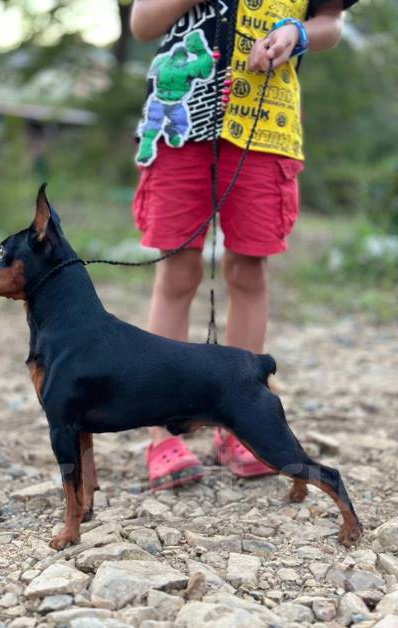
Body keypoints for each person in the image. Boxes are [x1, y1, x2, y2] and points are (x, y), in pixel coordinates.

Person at [130, 0, 359, 491]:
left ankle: (241, 421)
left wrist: (298, 34)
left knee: (248, 270)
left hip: (265, 127)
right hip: (178, 125)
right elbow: (143, 23)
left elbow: (332, 23)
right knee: (177, 271)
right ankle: (161, 433)